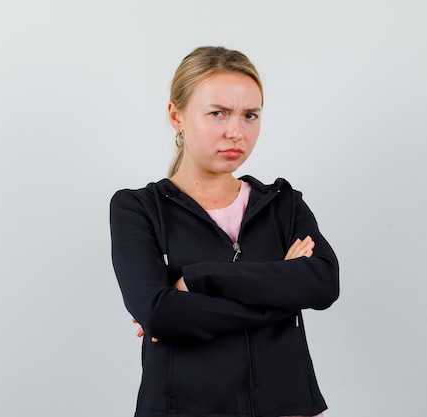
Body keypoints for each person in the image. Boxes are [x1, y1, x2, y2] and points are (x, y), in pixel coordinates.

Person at [109, 46, 339, 417]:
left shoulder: (283, 203)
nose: (236, 131)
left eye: (250, 115)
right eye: (218, 113)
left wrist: (198, 280)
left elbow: (324, 284)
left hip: (288, 408)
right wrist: (281, 297)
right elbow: (160, 314)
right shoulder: (138, 208)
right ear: (176, 116)